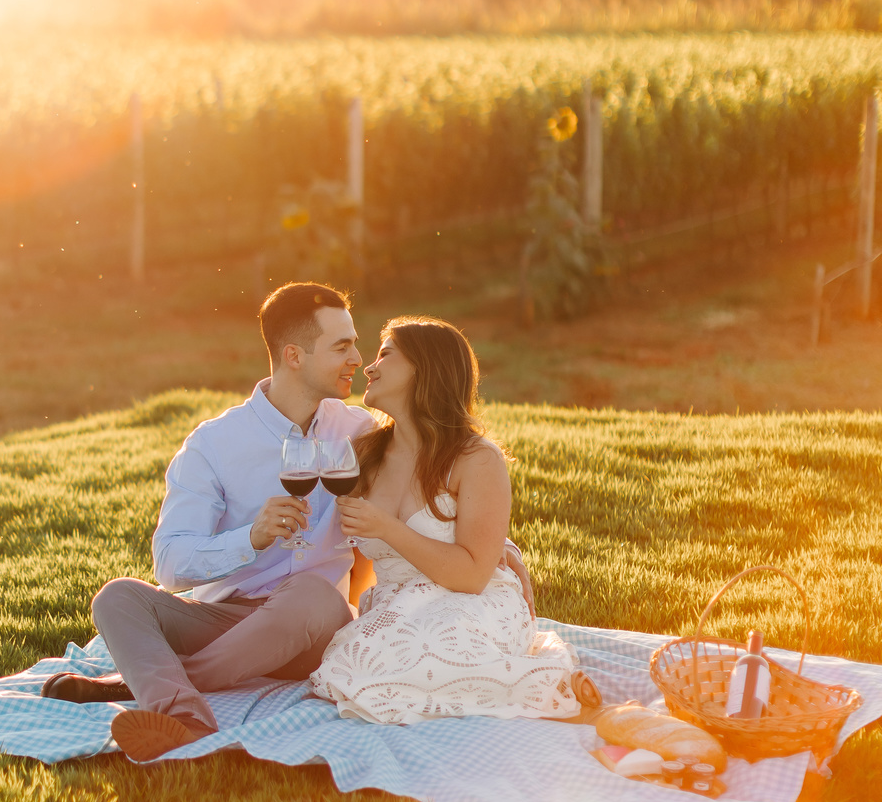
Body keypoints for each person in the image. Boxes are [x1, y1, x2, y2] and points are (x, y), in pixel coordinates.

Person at [52, 282, 535, 763]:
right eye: (342, 346)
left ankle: (154, 694)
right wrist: (250, 539)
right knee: (118, 597)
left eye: (359, 345)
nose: (358, 359)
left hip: (315, 625)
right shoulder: (214, 445)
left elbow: (433, 492)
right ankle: (181, 708)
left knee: (308, 592)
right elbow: (170, 565)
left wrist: (500, 552)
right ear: (294, 356)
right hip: (226, 622)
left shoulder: (361, 433)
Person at [308, 316, 585, 725]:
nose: (369, 366)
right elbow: (364, 561)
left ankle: (544, 684)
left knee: (439, 644)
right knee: (352, 660)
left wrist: (386, 527)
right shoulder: (363, 456)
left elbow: (473, 575)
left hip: (471, 603)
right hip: (398, 606)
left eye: (386, 353)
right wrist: (357, 614)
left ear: (426, 367)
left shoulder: (476, 458)